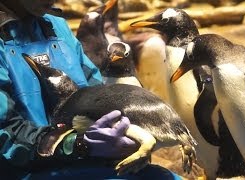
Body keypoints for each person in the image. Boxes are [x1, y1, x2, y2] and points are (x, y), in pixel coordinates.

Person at [0, 0, 181, 179]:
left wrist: (119, 132)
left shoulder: (56, 26)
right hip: (26, 171)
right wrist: (77, 144)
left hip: (87, 165)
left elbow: (97, 93)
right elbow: (6, 134)